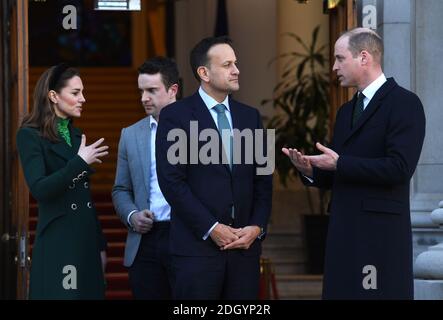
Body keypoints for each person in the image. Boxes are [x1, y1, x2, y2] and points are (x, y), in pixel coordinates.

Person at [283, 28, 426, 299]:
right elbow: (339, 170)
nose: (334, 67)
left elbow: (400, 168)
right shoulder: (346, 110)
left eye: (339, 58)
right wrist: (310, 170)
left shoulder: (404, 103)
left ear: (363, 58)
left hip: (378, 237)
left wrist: (341, 164)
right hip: (343, 233)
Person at [155, 36, 273, 299]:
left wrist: (257, 226)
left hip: (245, 251)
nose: (237, 70)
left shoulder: (250, 116)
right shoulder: (175, 116)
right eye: (228, 64)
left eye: (236, 63)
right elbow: (172, 183)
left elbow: (264, 180)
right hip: (197, 252)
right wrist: (212, 228)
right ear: (204, 73)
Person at [16, 64, 109, 299]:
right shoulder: (29, 135)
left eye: (83, 92)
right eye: (76, 93)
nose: (83, 99)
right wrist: (79, 162)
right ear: (54, 96)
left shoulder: (77, 135)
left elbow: (83, 196)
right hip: (59, 241)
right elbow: (40, 189)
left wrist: (100, 244)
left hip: (86, 240)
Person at [111, 57, 179, 299]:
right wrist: (132, 215)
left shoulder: (199, 130)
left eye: (152, 90)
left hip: (187, 239)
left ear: (173, 91)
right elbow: (120, 189)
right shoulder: (130, 135)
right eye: (141, 91)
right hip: (144, 242)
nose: (143, 98)